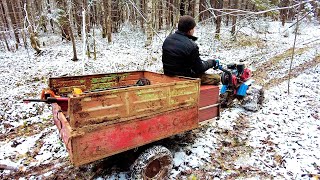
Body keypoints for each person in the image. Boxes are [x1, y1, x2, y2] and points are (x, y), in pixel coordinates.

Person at [162, 15, 220, 85]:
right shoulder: (191, 46)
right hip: (185, 79)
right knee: (217, 78)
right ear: (190, 30)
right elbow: (199, 69)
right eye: (193, 28)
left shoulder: (168, 40)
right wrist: (211, 62)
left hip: (168, 75)